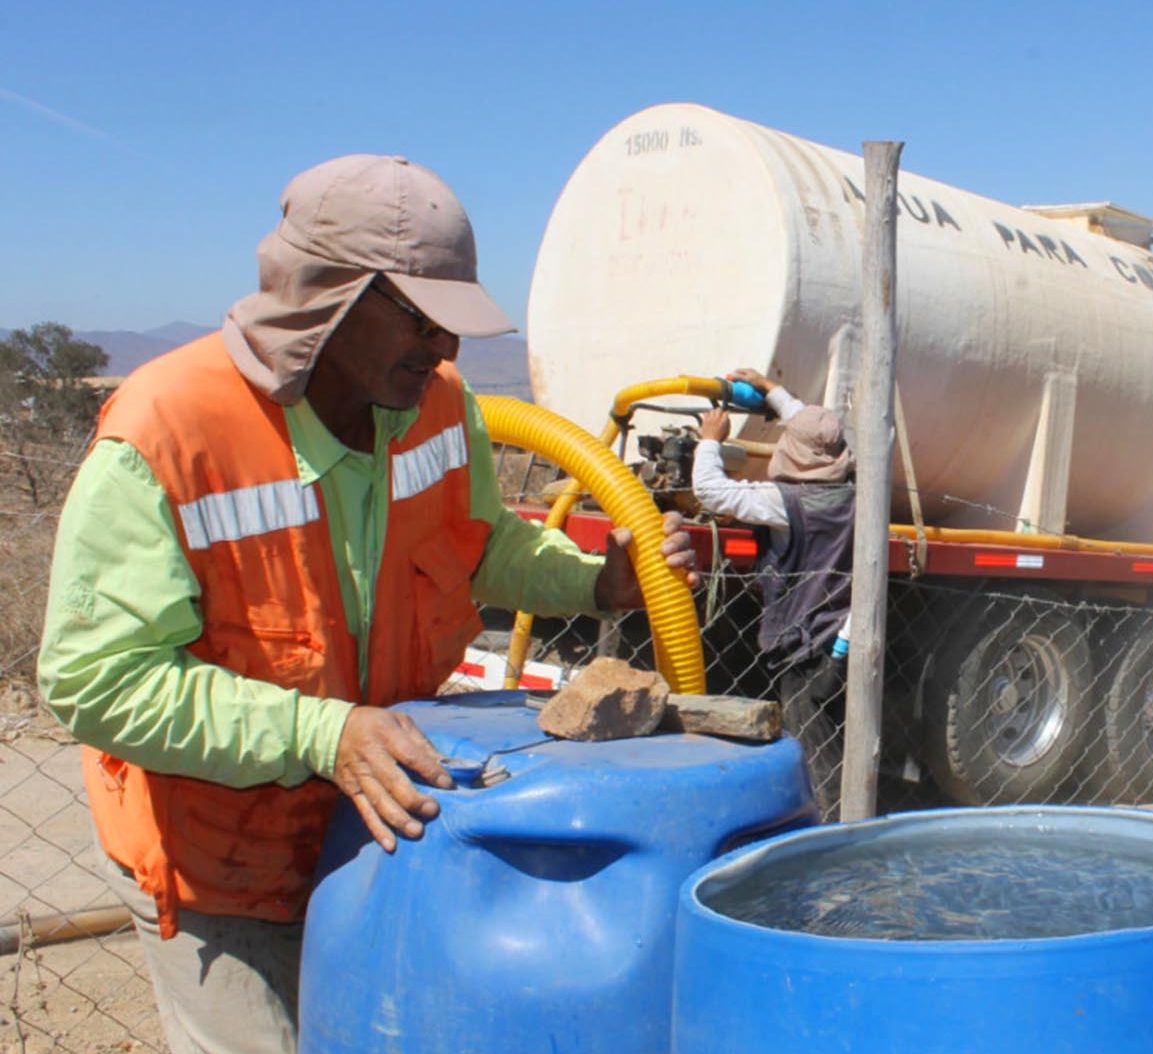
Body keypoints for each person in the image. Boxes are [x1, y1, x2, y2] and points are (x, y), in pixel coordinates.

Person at [37, 154, 697, 1054]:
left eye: (452, 324)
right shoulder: (168, 431)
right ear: (327, 296)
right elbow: (97, 683)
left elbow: (481, 543)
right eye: (421, 319)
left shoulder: (437, 404)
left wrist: (595, 581)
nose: (445, 349)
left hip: (376, 836)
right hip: (219, 861)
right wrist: (323, 734)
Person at [693, 369, 853, 818]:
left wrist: (710, 439)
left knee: (811, 741)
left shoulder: (784, 502)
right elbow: (820, 433)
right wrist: (773, 391)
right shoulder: (853, 491)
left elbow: (710, 490)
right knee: (828, 732)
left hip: (802, 641)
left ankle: (826, 827)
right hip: (836, 633)